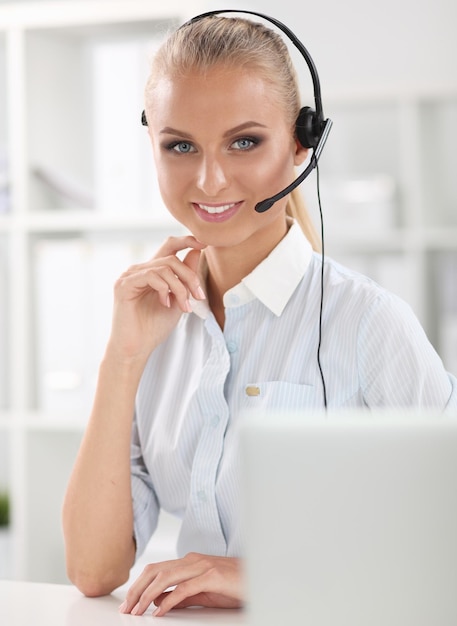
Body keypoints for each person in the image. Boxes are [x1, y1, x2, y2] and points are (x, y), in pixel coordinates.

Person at [62, 13, 457, 618]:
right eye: (180, 145)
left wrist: (267, 575)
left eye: (244, 141)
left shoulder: (368, 322)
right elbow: (94, 570)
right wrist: (123, 358)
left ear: (303, 142)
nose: (210, 178)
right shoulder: (153, 324)